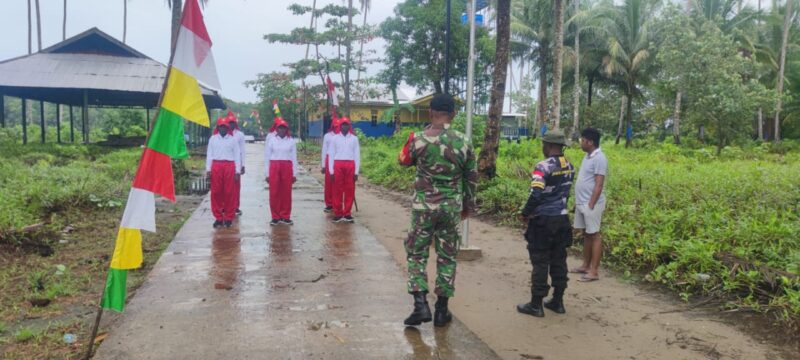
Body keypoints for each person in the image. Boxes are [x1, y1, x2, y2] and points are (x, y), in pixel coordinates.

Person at [398, 93, 477, 327]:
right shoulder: (464, 141)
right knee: (447, 256)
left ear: (431, 111)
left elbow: (403, 160)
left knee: (416, 252)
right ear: (453, 114)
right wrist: (467, 206)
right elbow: (471, 177)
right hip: (451, 207)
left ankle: (420, 305)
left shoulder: (418, 139)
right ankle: (442, 310)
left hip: (423, 207)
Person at [517, 129, 574, 317]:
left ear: (548, 145)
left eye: (543, 144)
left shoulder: (543, 166)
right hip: (562, 219)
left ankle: (536, 304)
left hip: (543, 220)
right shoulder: (570, 166)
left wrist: (525, 213)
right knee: (559, 259)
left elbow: (536, 193)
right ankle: (558, 301)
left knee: (540, 260)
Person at [570, 128, 608, 282]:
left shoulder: (600, 158)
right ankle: (585, 265)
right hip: (582, 202)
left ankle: (594, 271)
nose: (581, 142)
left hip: (591, 204)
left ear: (590, 142)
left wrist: (591, 205)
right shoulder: (588, 157)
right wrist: (577, 202)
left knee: (595, 234)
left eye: (583, 140)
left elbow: (599, 184)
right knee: (587, 234)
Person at [206, 118, 242, 228]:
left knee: (229, 192)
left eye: (225, 127)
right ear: (218, 128)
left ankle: (228, 217)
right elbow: (209, 155)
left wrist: (237, 171)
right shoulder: (213, 139)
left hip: (229, 166)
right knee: (216, 192)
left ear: (228, 128)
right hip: (216, 166)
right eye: (221, 126)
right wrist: (208, 170)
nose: (223, 128)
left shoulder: (232, 140)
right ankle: (218, 217)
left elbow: (237, 156)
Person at [264, 117, 298, 226]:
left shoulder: (291, 141)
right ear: (277, 129)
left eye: (284, 128)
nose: (282, 130)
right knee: (274, 192)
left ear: (286, 129)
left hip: (287, 166)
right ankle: (275, 216)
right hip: (274, 165)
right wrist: (267, 173)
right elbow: (267, 157)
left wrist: (294, 173)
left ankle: (285, 216)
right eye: (280, 128)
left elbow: (294, 158)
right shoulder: (272, 140)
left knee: (286, 192)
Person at [328, 117, 360, 223]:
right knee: (337, 190)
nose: (345, 127)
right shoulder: (335, 138)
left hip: (350, 164)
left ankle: (347, 213)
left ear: (349, 126)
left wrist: (356, 172)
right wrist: (331, 171)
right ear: (340, 126)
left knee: (349, 190)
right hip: (338, 164)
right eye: (343, 125)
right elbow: (331, 155)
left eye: (347, 125)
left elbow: (357, 156)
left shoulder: (354, 139)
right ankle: (338, 213)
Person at [227, 112, 246, 216]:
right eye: (229, 123)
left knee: (236, 186)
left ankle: (235, 207)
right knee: (225, 187)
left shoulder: (239, 135)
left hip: (236, 163)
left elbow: (242, 150)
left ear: (235, 124)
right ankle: (225, 206)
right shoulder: (222, 133)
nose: (231, 125)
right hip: (226, 162)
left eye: (232, 123)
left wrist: (243, 165)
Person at [321, 116, 341, 213]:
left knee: (338, 183)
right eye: (335, 126)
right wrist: (323, 165)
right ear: (332, 126)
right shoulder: (327, 136)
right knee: (329, 183)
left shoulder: (342, 136)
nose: (337, 127)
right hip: (329, 159)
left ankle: (337, 202)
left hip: (339, 159)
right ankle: (329, 203)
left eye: (338, 126)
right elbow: (324, 150)